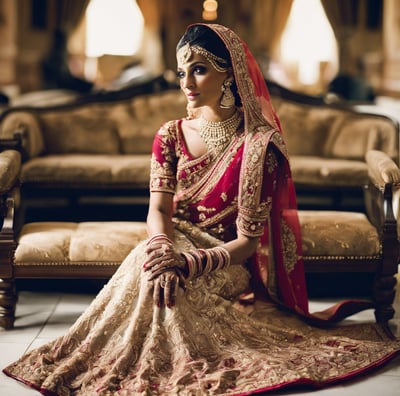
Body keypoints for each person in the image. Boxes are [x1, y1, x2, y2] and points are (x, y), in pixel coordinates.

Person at [3, 23, 400, 395]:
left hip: (222, 261)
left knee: (169, 283)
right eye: (181, 73)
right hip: (173, 238)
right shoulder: (171, 134)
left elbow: (247, 243)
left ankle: (157, 362)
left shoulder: (259, 145)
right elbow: (158, 207)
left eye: (198, 70)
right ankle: (117, 354)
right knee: (151, 262)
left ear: (229, 74)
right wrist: (162, 246)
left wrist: (188, 263)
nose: (186, 83)